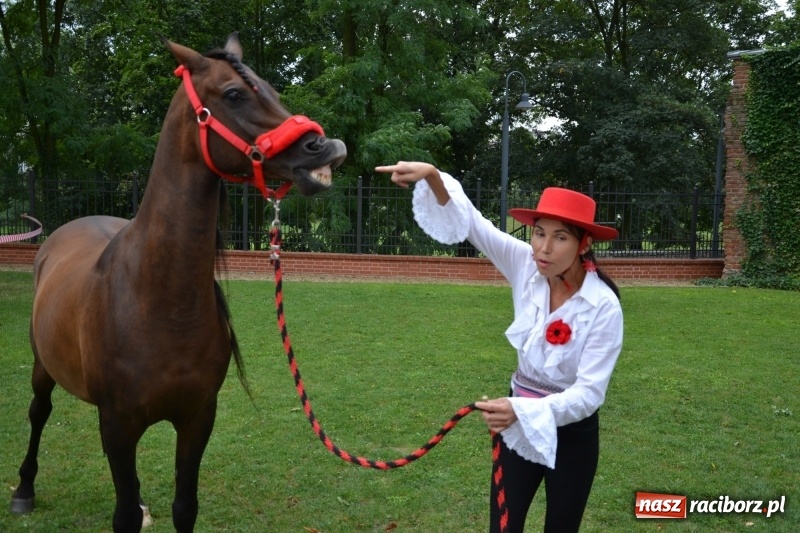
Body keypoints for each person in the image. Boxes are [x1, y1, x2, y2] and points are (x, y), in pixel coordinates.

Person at [375, 161, 623, 533]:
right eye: (539, 233)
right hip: (516, 424)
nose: (543, 248)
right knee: (503, 527)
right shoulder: (524, 264)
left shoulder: (603, 306)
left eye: (560, 237)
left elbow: (588, 394)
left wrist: (521, 410)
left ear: (583, 243)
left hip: (571, 434)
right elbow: (474, 223)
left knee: (561, 527)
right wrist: (432, 175)